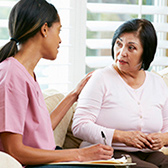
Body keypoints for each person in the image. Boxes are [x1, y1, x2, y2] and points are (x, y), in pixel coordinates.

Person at [0, 0, 114, 167]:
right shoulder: (11, 75)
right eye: (59, 30)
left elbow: (41, 129)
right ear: (45, 29)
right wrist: (79, 154)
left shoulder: (26, 73)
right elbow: (14, 151)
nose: (60, 40)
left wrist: (74, 94)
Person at [72, 18, 168, 168]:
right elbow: (79, 126)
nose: (121, 53)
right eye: (119, 44)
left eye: (131, 48)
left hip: (147, 153)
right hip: (107, 152)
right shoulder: (101, 78)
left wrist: (162, 139)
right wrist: (121, 136)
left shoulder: (158, 83)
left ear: (146, 52)